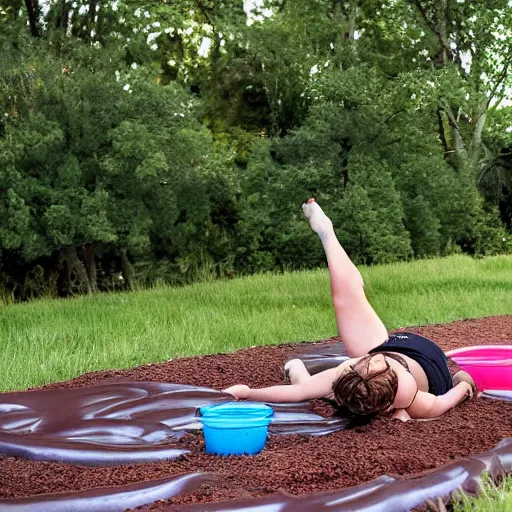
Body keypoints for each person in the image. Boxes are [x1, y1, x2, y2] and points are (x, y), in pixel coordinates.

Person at [224, 199, 476, 421]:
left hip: (405, 354)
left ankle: (326, 234)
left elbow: (301, 391)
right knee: (346, 313)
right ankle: (326, 234)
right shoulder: (377, 379)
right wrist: (462, 383)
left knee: (344, 319)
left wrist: (247, 392)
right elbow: (299, 392)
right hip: (412, 354)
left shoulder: (393, 388)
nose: (359, 362)